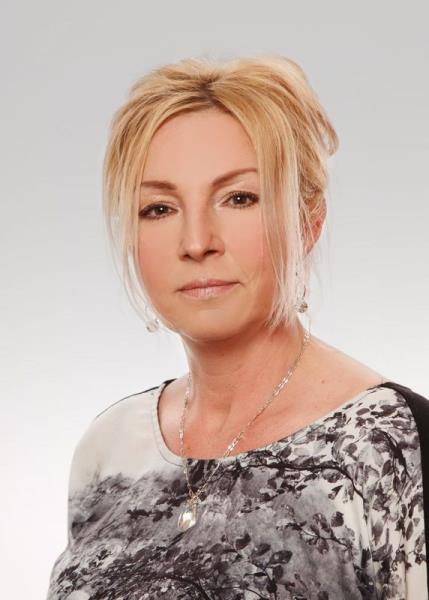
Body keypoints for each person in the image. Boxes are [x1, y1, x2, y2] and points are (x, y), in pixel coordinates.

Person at [46, 54, 429, 600]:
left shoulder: (388, 445)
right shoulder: (108, 449)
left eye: (239, 198)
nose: (196, 241)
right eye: (159, 208)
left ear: (308, 221)